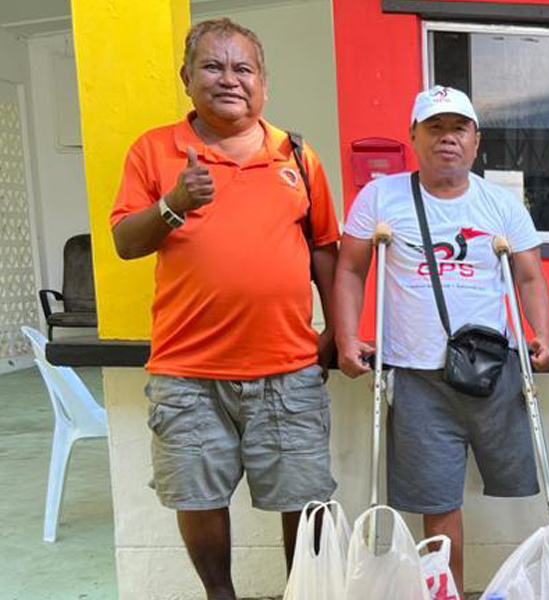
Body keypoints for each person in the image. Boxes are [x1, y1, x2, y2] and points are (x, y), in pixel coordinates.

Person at [109, 19, 339, 599]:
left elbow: (324, 250)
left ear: (263, 83)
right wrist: (175, 203)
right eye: (213, 66)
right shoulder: (154, 150)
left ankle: (303, 592)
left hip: (287, 368)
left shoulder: (298, 156)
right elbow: (125, 243)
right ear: (186, 78)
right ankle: (220, 596)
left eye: (243, 68)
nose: (229, 79)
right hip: (188, 372)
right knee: (198, 496)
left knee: (304, 496)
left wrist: (339, 330)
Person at [331, 85, 549, 586]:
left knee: (522, 483)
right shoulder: (380, 198)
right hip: (417, 375)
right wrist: (347, 338)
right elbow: (350, 270)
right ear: (414, 137)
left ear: (476, 141)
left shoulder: (501, 205)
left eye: (459, 129)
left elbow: (529, 277)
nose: (447, 138)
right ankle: (444, 593)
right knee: (436, 502)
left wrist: (542, 333)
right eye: (435, 128)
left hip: (490, 369)